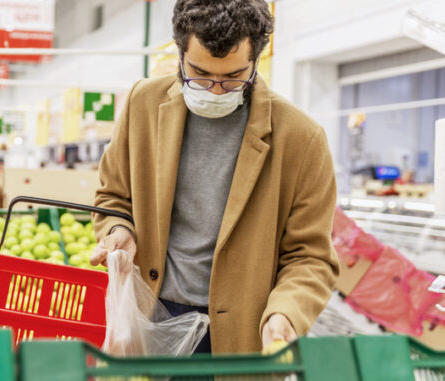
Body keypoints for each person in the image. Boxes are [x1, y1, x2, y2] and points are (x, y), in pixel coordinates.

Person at [91, 0, 339, 354]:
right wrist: (119, 231)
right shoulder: (142, 104)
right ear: (179, 53)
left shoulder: (301, 138)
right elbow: (113, 197)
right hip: (150, 318)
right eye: (199, 74)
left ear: (256, 61)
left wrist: (286, 313)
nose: (215, 90)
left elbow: (311, 255)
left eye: (233, 77)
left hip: (242, 333)